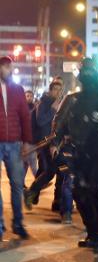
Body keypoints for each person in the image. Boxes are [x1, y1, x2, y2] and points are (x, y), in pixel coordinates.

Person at [51, 58, 98, 248]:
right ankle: (94, 231)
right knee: (80, 190)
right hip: (80, 153)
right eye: (85, 72)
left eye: (91, 72)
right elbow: (60, 122)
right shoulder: (73, 99)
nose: (87, 76)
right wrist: (55, 142)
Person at [23, 81, 72, 222]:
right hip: (44, 143)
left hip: (56, 142)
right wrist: (53, 109)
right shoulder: (44, 102)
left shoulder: (64, 103)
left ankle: (34, 192)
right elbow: (40, 121)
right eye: (55, 89)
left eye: (60, 89)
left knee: (52, 171)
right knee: (52, 171)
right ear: (50, 90)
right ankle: (34, 192)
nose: (58, 92)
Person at [0, 56, 32, 240]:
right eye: (5, 67)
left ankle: (18, 223)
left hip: (14, 143)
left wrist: (27, 142)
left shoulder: (17, 90)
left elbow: (25, 117)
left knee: (17, 185)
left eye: (10, 67)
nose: (9, 70)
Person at [23, 90, 38, 179]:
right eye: (27, 96)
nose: (29, 98)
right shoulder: (21, 108)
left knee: (26, 163)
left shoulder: (36, 108)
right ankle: (39, 180)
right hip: (24, 140)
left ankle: (21, 183)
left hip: (32, 139)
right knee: (31, 162)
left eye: (30, 96)